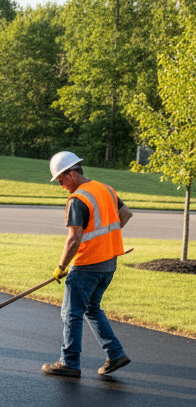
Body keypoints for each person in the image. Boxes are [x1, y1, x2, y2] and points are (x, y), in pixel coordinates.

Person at [42, 151, 132, 378]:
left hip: (87, 266)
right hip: (109, 264)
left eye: (60, 180)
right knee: (92, 308)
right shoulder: (106, 189)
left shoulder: (78, 199)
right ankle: (115, 354)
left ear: (71, 174)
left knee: (71, 313)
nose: (61, 186)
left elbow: (74, 238)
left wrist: (61, 267)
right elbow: (126, 214)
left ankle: (69, 363)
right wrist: (106, 240)